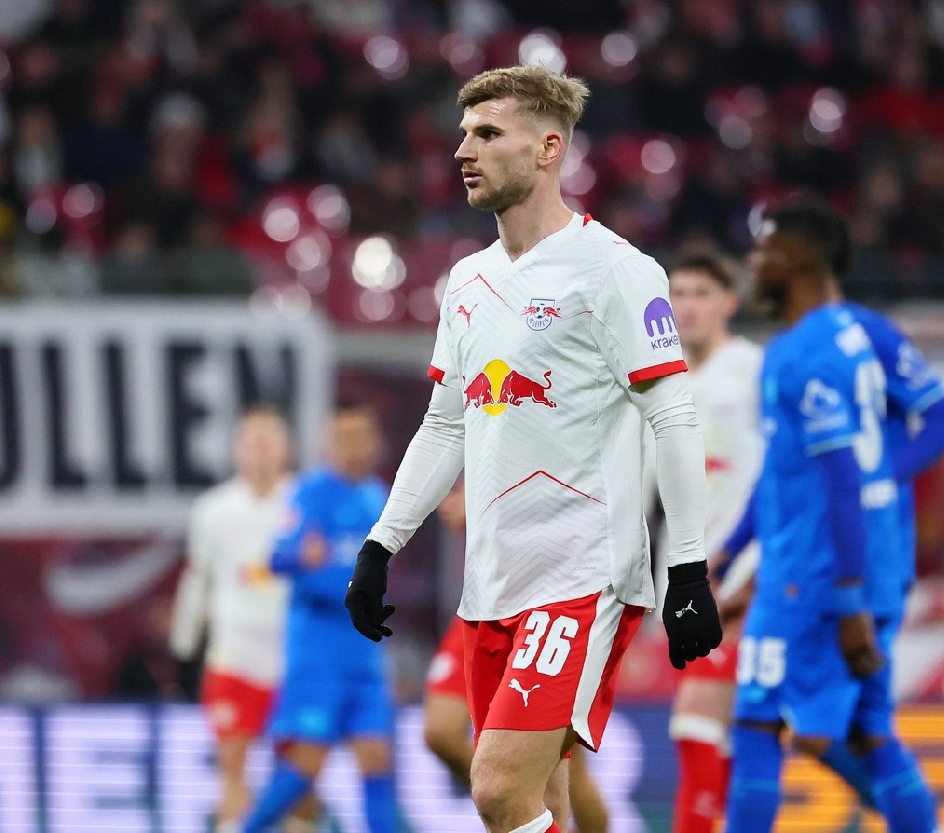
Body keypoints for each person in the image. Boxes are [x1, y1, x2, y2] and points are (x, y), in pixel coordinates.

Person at [343, 64, 721, 833]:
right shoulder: (468, 281)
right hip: (493, 581)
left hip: (582, 575)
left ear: (549, 149)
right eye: (462, 133)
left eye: (487, 134)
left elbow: (673, 415)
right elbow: (445, 424)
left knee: (498, 788)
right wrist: (382, 542)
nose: (463, 150)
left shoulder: (617, 270)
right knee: (542, 800)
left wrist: (688, 564)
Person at [723, 199, 944, 833]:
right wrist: (733, 550)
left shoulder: (799, 353)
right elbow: (789, 471)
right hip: (868, 564)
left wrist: (845, 603)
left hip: (814, 575)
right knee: (871, 733)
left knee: (758, 723)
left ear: (792, 257)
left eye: (763, 249)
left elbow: (844, 478)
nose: (754, 262)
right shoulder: (858, 335)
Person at [242, 401, 399, 833]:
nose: (353, 448)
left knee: (377, 760)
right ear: (329, 443)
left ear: (375, 441)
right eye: (343, 438)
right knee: (307, 764)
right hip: (318, 655)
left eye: (360, 438)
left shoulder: (377, 496)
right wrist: (301, 557)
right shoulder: (311, 492)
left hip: (363, 656)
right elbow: (277, 556)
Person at [424, 481, 610, 833]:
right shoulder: (472, 430)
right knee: (440, 732)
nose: (445, 503)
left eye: (455, 492)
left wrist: (484, 500)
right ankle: (509, 800)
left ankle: (515, 798)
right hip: (483, 609)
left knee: (565, 773)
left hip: (548, 602)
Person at [169, 407, 316, 833]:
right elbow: (200, 578)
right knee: (232, 765)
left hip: (294, 658)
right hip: (235, 656)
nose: (261, 451)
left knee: (298, 776)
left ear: (286, 450)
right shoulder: (213, 510)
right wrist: (183, 647)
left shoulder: (306, 501)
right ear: (237, 451)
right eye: (252, 442)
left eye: (269, 441)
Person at [658, 249, 762, 833]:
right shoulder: (662, 381)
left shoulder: (753, 370)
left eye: (701, 294)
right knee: (729, 734)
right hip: (690, 584)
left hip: (746, 579)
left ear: (730, 303)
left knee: (696, 725)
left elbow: (782, 474)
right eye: (678, 294)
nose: (687, 306)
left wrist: (755, 570)